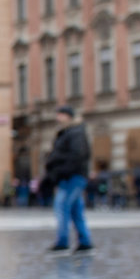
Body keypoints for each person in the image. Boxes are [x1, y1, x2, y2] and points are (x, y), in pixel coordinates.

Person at [44, 104, 93, 252]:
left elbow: (77, 155)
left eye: (61, 114)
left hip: (72, 176)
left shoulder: (75, 132)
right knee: (75, 210)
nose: (57, 117)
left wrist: (60, 169)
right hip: (69, 176)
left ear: (68, 116)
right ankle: (85, 241)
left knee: (62, 206)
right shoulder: (68, 132)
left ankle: (63, 241)